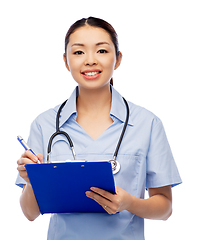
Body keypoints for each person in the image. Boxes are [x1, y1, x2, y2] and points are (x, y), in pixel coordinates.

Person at [16, 17, 182, 240]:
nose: (90, 60)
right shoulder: (44, 124)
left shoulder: (147, 123)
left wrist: (129, 203)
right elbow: (29, 213)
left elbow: (165, 209)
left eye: (102, 51)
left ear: (118, 58)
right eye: (78, 52)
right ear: (66, 62)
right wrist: (32, 180)